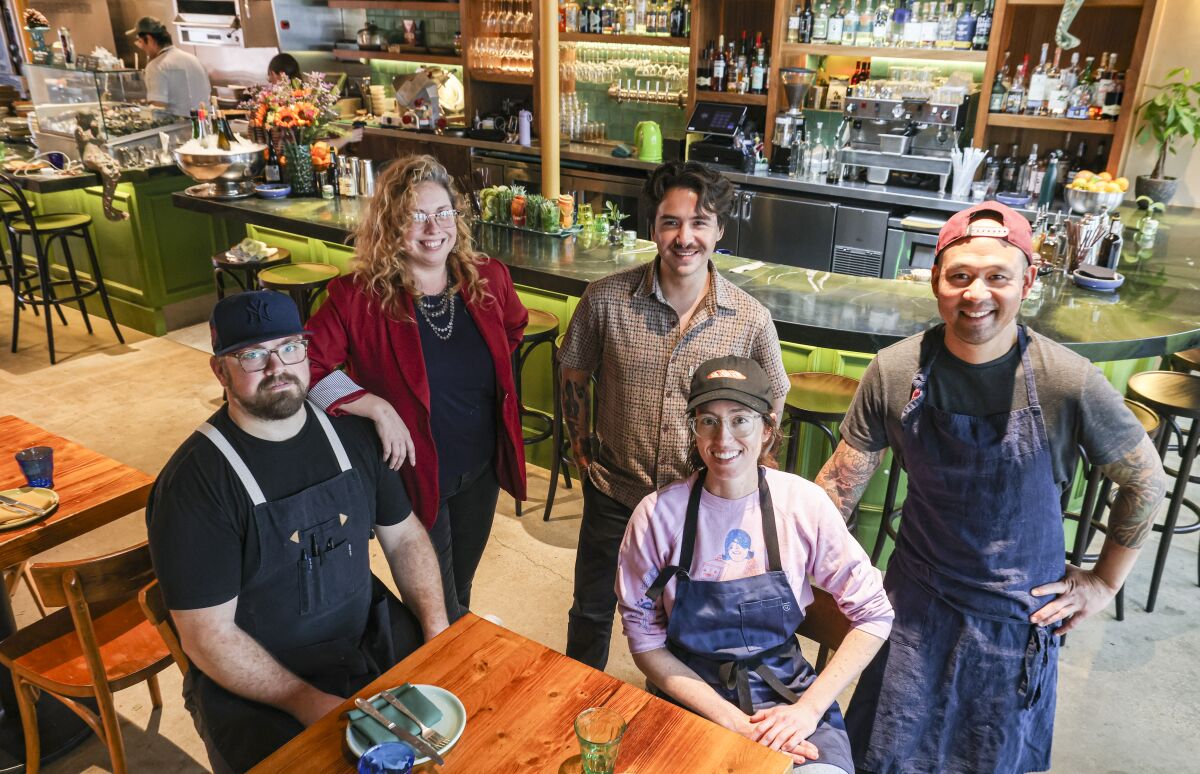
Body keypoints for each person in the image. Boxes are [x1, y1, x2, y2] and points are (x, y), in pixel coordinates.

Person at [813, 202, 1168, 774]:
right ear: (936, 281)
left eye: (997, 276)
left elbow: (1145, 480)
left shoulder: (1064, 380)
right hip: (913, 609)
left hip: (1015, 621)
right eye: (960, 276)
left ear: (1026, 281)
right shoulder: (896, 371)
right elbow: (836, 490)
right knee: (883, 756)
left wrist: (1103, 582)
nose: (976, 293)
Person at [147, 291, 449, 773]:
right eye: (252, 355)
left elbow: (405, 536)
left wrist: (437, 631)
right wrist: (301, 699)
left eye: (289, 347)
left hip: (366, 642)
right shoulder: (195, 484)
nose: (277, 367)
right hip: (261, 686)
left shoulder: (351, 435)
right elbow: (207, 636)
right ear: (219, 370)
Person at [559, 160, 790, 670]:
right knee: (592, 613)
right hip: (614, 492)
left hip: (699, 505)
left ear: (719, 231)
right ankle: (573, 705)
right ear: (653, 228)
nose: (685, 237)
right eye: (671, 222)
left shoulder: (750, 319)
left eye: (699, 222)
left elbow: (773, 404)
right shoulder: (606, 299)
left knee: (684, 628)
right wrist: (580, 452)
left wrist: (743, 478)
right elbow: (573, 372)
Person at [616, 356, 893, 772]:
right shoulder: (657, 516)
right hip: (689, 692)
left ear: (768, 427)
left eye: (740, 419)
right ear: (693, 428)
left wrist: (807, 711)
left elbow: (874, 614)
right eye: (707, 420)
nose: (722, 438)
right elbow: (645, 641)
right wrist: (730, 720)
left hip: (785, 695)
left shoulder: (803, 505)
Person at [306, 155, 528, 622]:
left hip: (480, 468)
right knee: (434, 608)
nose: (433, 228)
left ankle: (453, 659)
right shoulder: (357, 296)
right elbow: (305, 367)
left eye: (443, 213)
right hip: (411, 473)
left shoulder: (489, 279)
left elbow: (513, 329)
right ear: (390, 225)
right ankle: (440, 678)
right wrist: (373, 406)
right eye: (415, 216)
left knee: (459, 584)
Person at [128, 17, 211, 118]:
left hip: (177, 130)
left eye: (140, 42)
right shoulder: (194, 59)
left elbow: (158, 108)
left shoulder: (156, 66)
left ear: (149, 39)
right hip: (204, 124)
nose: (142, 48)